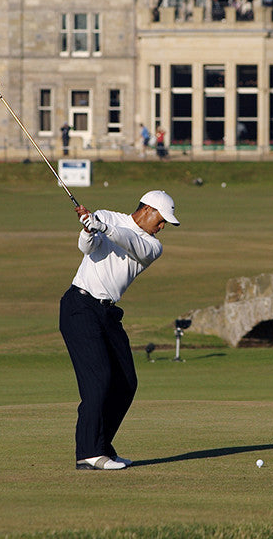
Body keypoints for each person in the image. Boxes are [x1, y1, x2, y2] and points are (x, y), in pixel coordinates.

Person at [61, 190, 180, 471]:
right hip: (80, 306)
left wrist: (102, 226)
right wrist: (90, 229)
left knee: (126, 383)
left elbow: (128, 241)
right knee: (99, 380)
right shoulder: (107, 216)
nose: (162, 227)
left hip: (107, 313)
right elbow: (86, 248)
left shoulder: (153, 246)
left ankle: (101, 447)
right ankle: (88, 453)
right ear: (148, 209)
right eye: (162, 220)